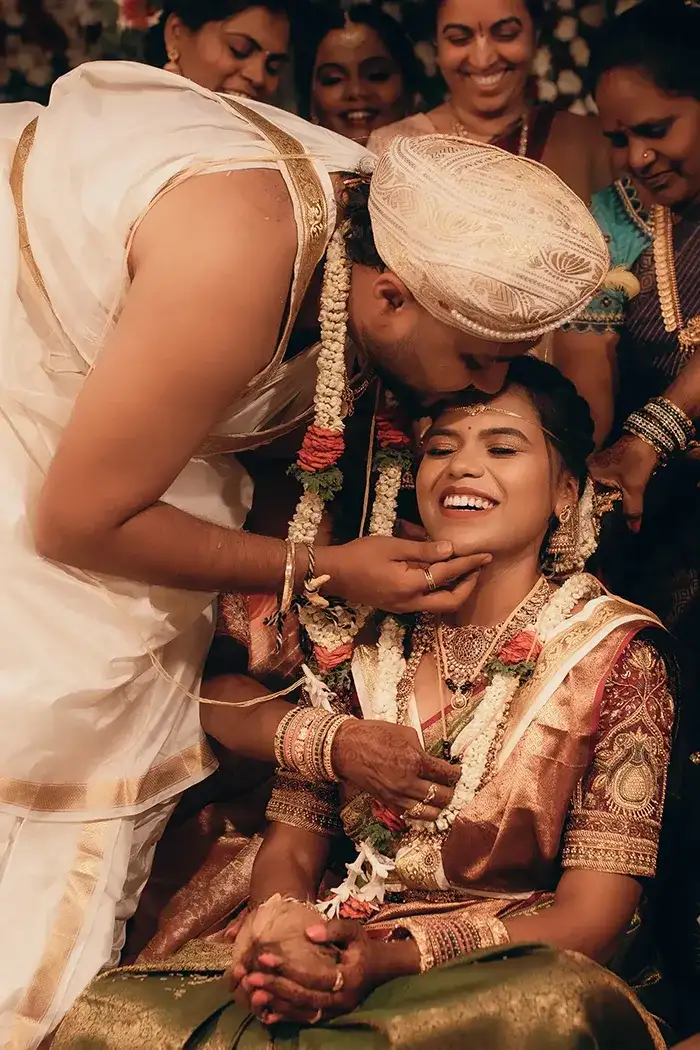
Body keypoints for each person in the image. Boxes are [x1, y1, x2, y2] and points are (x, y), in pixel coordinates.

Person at [0, 56, 610, 1045]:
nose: (477, 388)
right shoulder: (239, 259)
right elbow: (76, 521)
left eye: (506, 433)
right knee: (69, 732)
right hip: (32, 440)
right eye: (474, 362)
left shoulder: (605, 647)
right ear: (391, 301)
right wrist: (315, 573)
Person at [52, 358, 671, 1050]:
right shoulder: (363, 637)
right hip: (338, 930)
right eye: (441, 448)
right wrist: (291, 931)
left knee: (540, 1014)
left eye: (501, 448)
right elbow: (293, 837)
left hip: (500, 965)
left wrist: (390, 958)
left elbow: (595, 917)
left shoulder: (616, 655)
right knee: (118, 1022)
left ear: (565, 492)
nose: (462, 468)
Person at [552, 0, 700, 667]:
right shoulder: (612, 221)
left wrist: (660, 424)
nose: (638, 156)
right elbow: (587, 369)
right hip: (672, 521)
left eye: (657, 128)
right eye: (618, 138)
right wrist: (587, 475)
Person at [367, 0, 610, 204]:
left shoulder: (588, 142)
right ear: (436, 45)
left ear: (535, 36)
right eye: (459, 38)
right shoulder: (394, 149)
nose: (483, 59)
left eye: (506, 34)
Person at [300, 3, 425, 147]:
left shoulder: (442, 162)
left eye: (377, 75)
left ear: (408, 89)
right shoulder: (282, 168)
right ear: (310, 98)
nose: (356, 91)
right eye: (334, 79)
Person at [144, 0, 293, 100]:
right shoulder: (128, 119)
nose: (258, 77)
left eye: (274, 66)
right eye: (240, 49)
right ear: (176, 34)